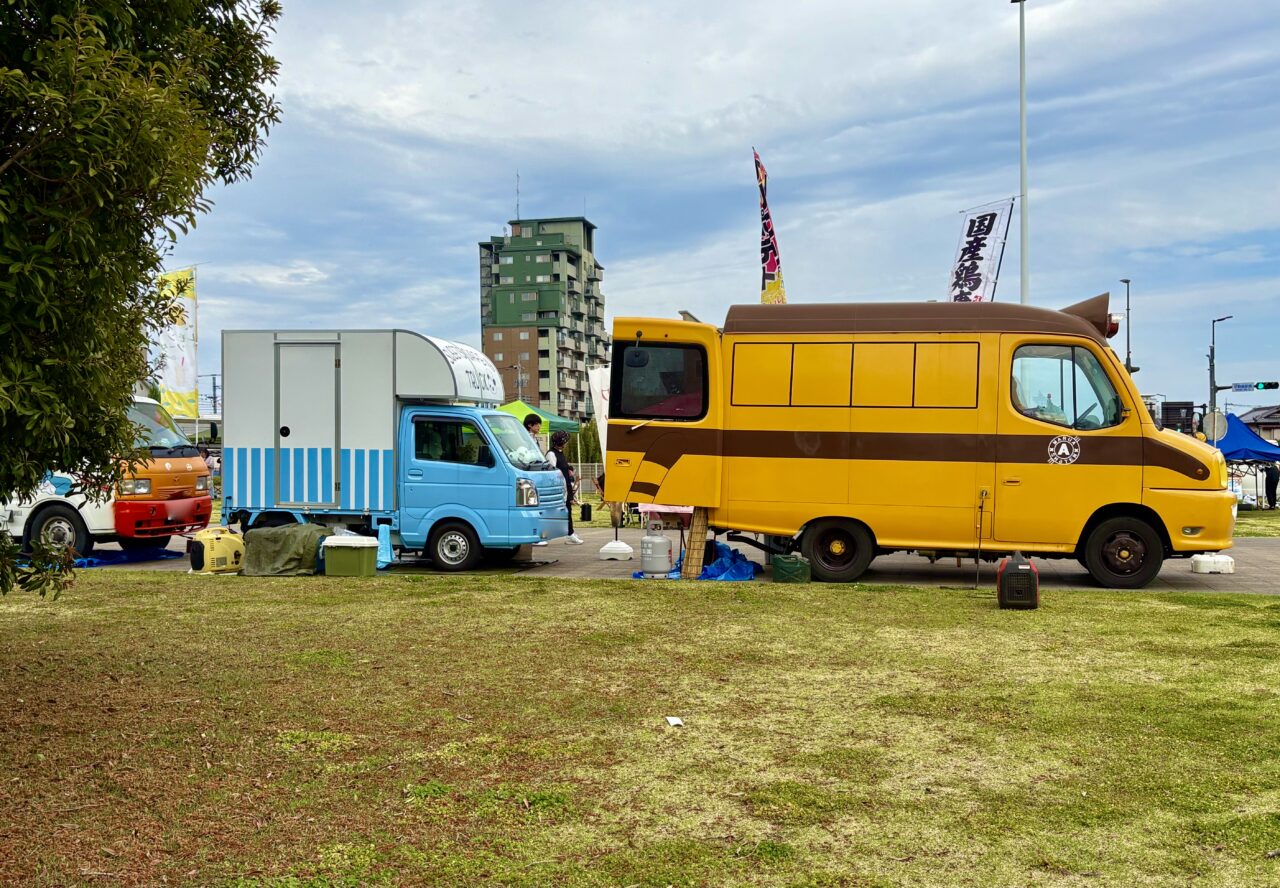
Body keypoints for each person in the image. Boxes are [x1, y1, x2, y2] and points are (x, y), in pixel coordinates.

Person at [547, 430, 583, 544]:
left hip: (565, 486)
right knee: (553, 512)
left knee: (568, 510)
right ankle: (565, 533)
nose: (566, 443)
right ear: (561, 442)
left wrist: (569, 469)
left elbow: (563, 466)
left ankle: (570, 533)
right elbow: (552, 470)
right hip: (558, 488)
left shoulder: (560, 452)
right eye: (565, 441)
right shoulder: (551, 454)